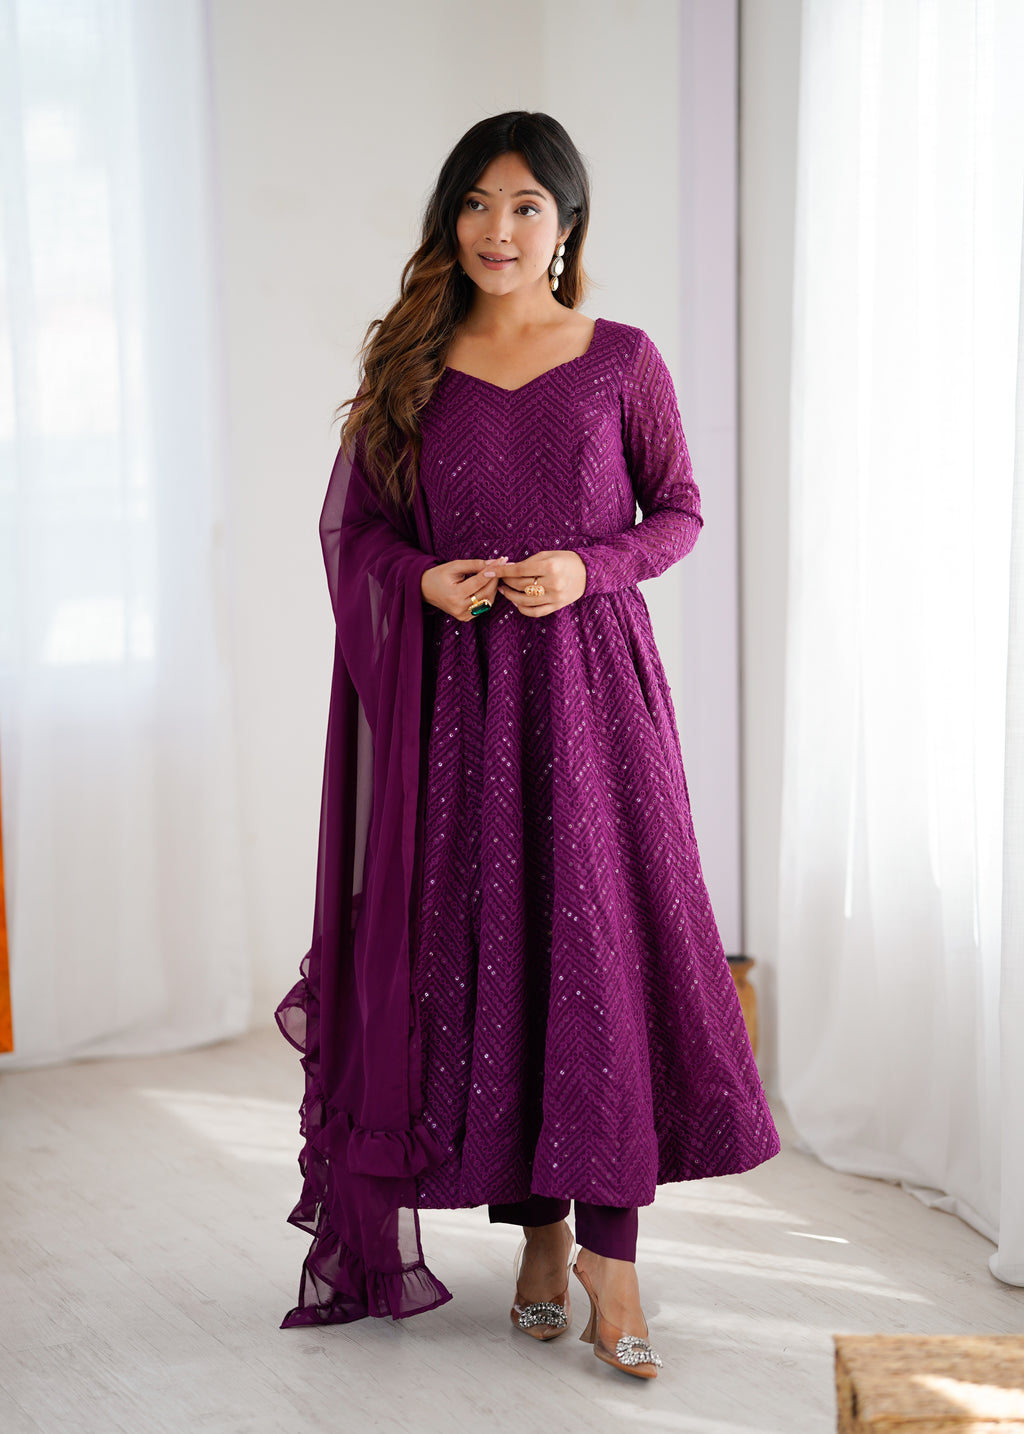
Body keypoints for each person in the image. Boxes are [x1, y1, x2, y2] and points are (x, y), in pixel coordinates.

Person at [275, 110, 781, 1381]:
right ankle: (540, 1237)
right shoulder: (413, 364)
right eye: (474, 203)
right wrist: (423, 579)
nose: (496, 230)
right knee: (498, 961)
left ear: (566, 225)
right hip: (460, 710)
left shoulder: (620, 359)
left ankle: (613, 1257)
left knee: (601, 955)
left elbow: (680, 511)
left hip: (594, 700)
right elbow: (358, 531)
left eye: (524, 206)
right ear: (450, 219)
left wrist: (585, 567)